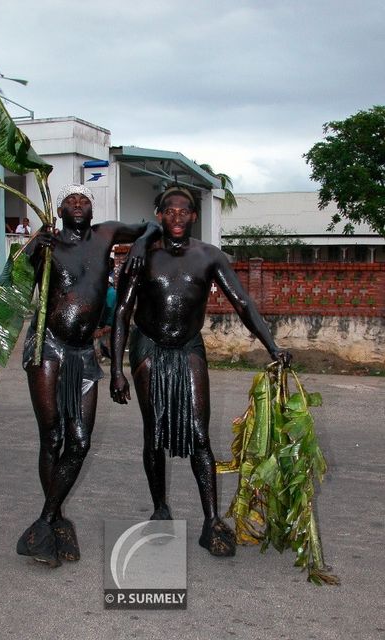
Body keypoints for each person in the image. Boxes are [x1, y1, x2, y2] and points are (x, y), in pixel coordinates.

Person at [110, 186, 291, 557]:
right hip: (148, 347)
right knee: (154, 431)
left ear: (195, 216)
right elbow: (122, 314)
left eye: (185, 211)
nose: (177, 217)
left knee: (199, 433)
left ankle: (211, 521)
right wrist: (116, 368)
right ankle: (159, 508)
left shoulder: (210, 257)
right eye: (170, 211)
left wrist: (272, 346)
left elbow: (242, 302)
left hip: (189, 346)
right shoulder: (142, 256)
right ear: (159, 214)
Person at [16, 184, 162, 567]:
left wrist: (142, 245)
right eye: (71, 201)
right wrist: (34, 248)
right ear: (60, 210)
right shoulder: (47, 244)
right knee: (53, 437)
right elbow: (19, 281)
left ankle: (47, 519)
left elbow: (150, 225)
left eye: (85, 201)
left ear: (92, 211)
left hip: (83, 353)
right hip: (47, 346)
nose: (78, 204)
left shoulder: (107, 234)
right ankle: (56, 523)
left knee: (79, 441)